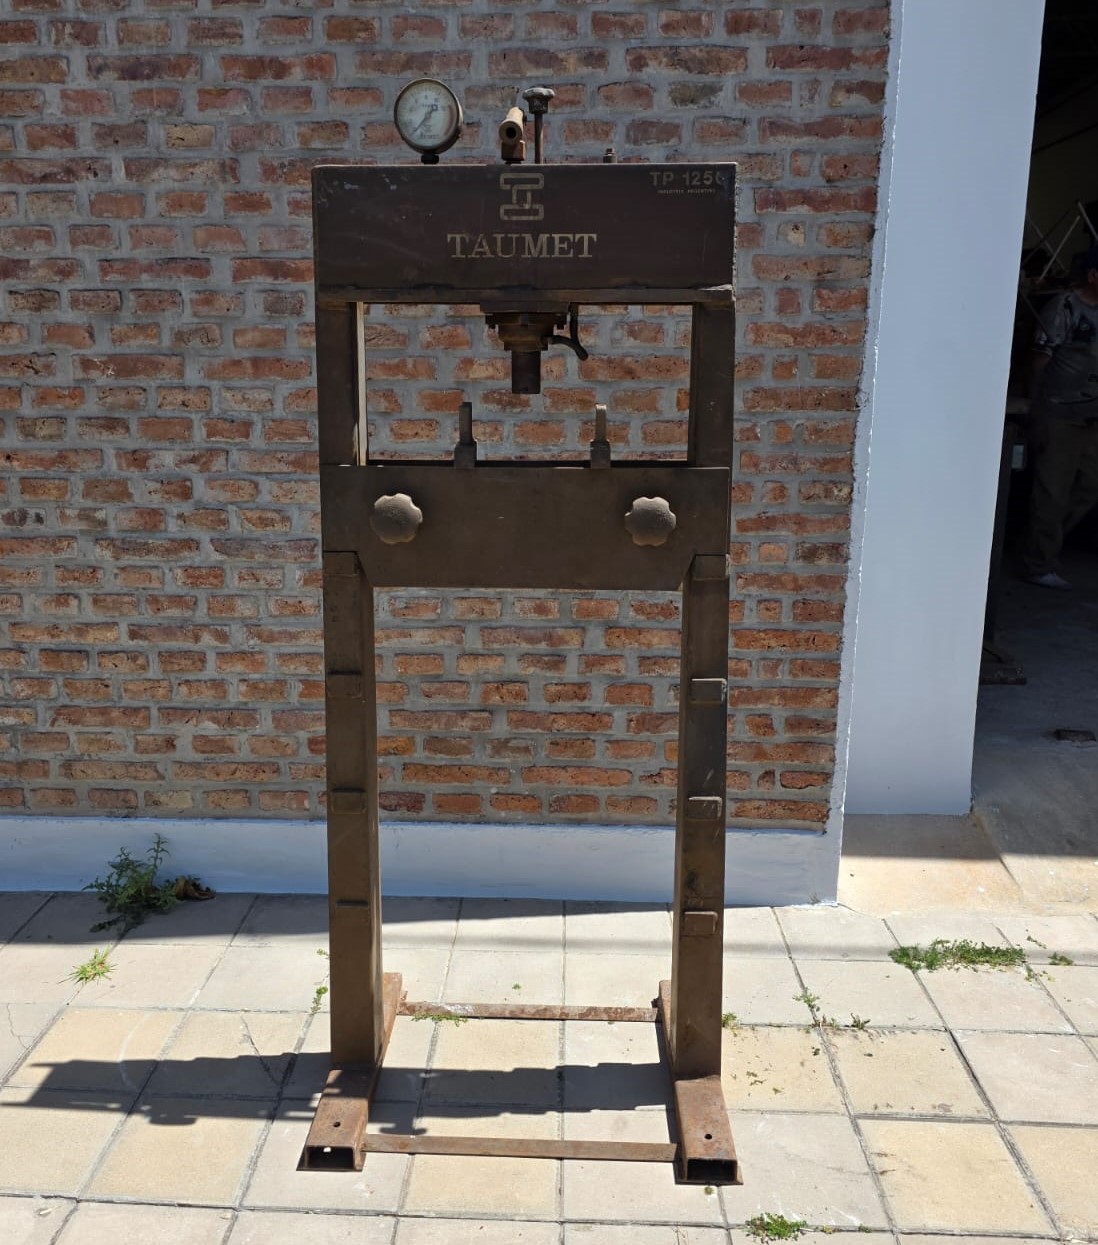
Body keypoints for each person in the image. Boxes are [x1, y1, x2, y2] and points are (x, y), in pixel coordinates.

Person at [1021, 243, 1098, 589]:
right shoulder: (1065, 307)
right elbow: (1040, 359)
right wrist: (1038, 410)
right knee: (1052, 492)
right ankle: (1039, 562)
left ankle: (1038, 544)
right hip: (1059, 412)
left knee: (1088, 487)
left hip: (1091, 416)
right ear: (1093, 276)